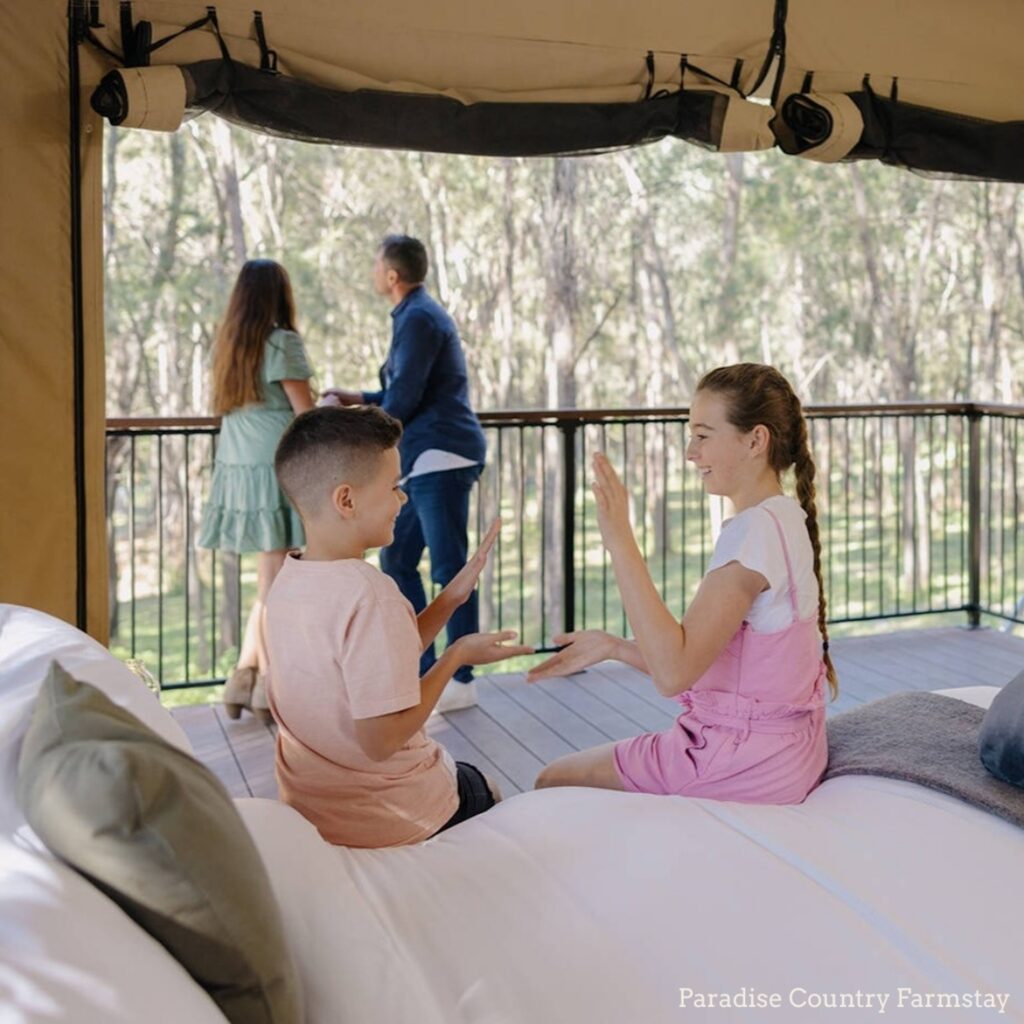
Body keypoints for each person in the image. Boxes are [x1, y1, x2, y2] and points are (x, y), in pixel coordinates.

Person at [529, 363, 837, 804]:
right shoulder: (783, 517)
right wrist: (616, 647)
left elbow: (675, 673)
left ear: (756, 440)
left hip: (740, 760)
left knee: (551, 780)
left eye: (703, 435)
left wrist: (620, 540)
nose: (691, 453)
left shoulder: (753, 536)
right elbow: (712, 663)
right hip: (785, 752)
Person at [264, 405, 530, 847]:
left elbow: (371, 664)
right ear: (346, 500)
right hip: (388, 816)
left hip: (313, 808)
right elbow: (381, 740)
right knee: (488, 787)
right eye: (393, 486)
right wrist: (455, 656)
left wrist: (451, 598)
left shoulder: (290, 579)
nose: (403, 498)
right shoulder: (370, 592)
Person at [322, 235, 487, 713]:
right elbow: (399, 391)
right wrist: (357, 397)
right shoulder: (413, 315)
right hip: (423, 459)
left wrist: (353, 422)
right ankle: (420, 669)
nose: (373, 271)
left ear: (392, 275)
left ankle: (461, 678)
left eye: (376, 264)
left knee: (449, 566)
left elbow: (404, 401)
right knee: (396, 561)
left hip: (443, 455)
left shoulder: (418, 318)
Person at [198, 259, 315, 722]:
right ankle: (271, 685)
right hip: (274, 464)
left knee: (271, 575)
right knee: (275, 579)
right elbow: (305, 410)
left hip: (237, 465)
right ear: (279, 295)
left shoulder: (230, 345)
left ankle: (243, 676)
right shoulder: (282, 342)